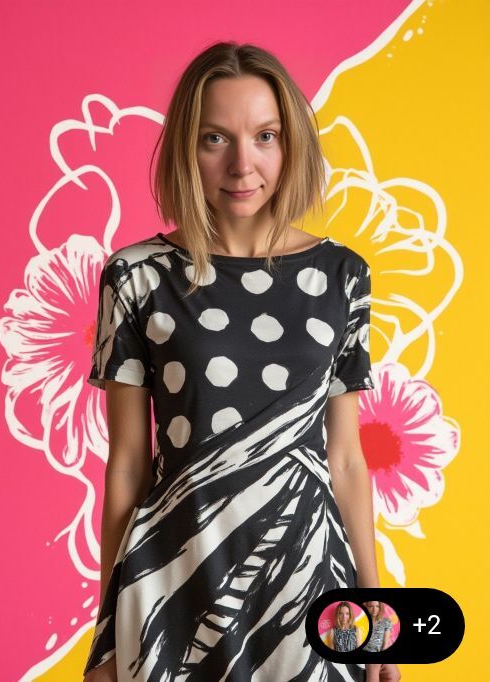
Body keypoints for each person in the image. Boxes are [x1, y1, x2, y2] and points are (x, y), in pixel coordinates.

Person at [82, 41, 400, 682]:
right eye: (214, 138)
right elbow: (128, 465)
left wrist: (376, 614)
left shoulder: (343, 276)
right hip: (172, 585)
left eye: (265, 136)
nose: (242, 164)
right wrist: (107, 634)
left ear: (290, 145)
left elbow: (345, 459)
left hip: (310, 584)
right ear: (186, 148)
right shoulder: (137, 276)